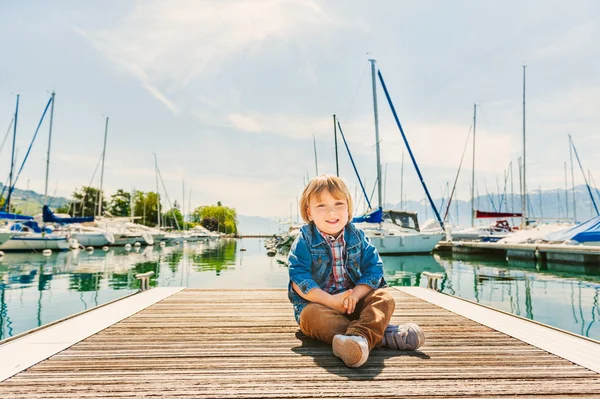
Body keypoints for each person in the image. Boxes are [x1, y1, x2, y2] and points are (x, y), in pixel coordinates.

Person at [288, 175, 425, 368]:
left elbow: (374, 269)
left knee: (384, 297)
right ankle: (382, 336)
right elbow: (299, 279)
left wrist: (356, 294)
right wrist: (332, 301)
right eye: (321, 206)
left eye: (338, 204)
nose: (332, 212)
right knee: (310, 316)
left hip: (355, 304)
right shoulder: (304, 240)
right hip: (322, 305)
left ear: (349, 209)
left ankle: (357, 339)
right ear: (309, 212)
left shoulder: (358, 237)